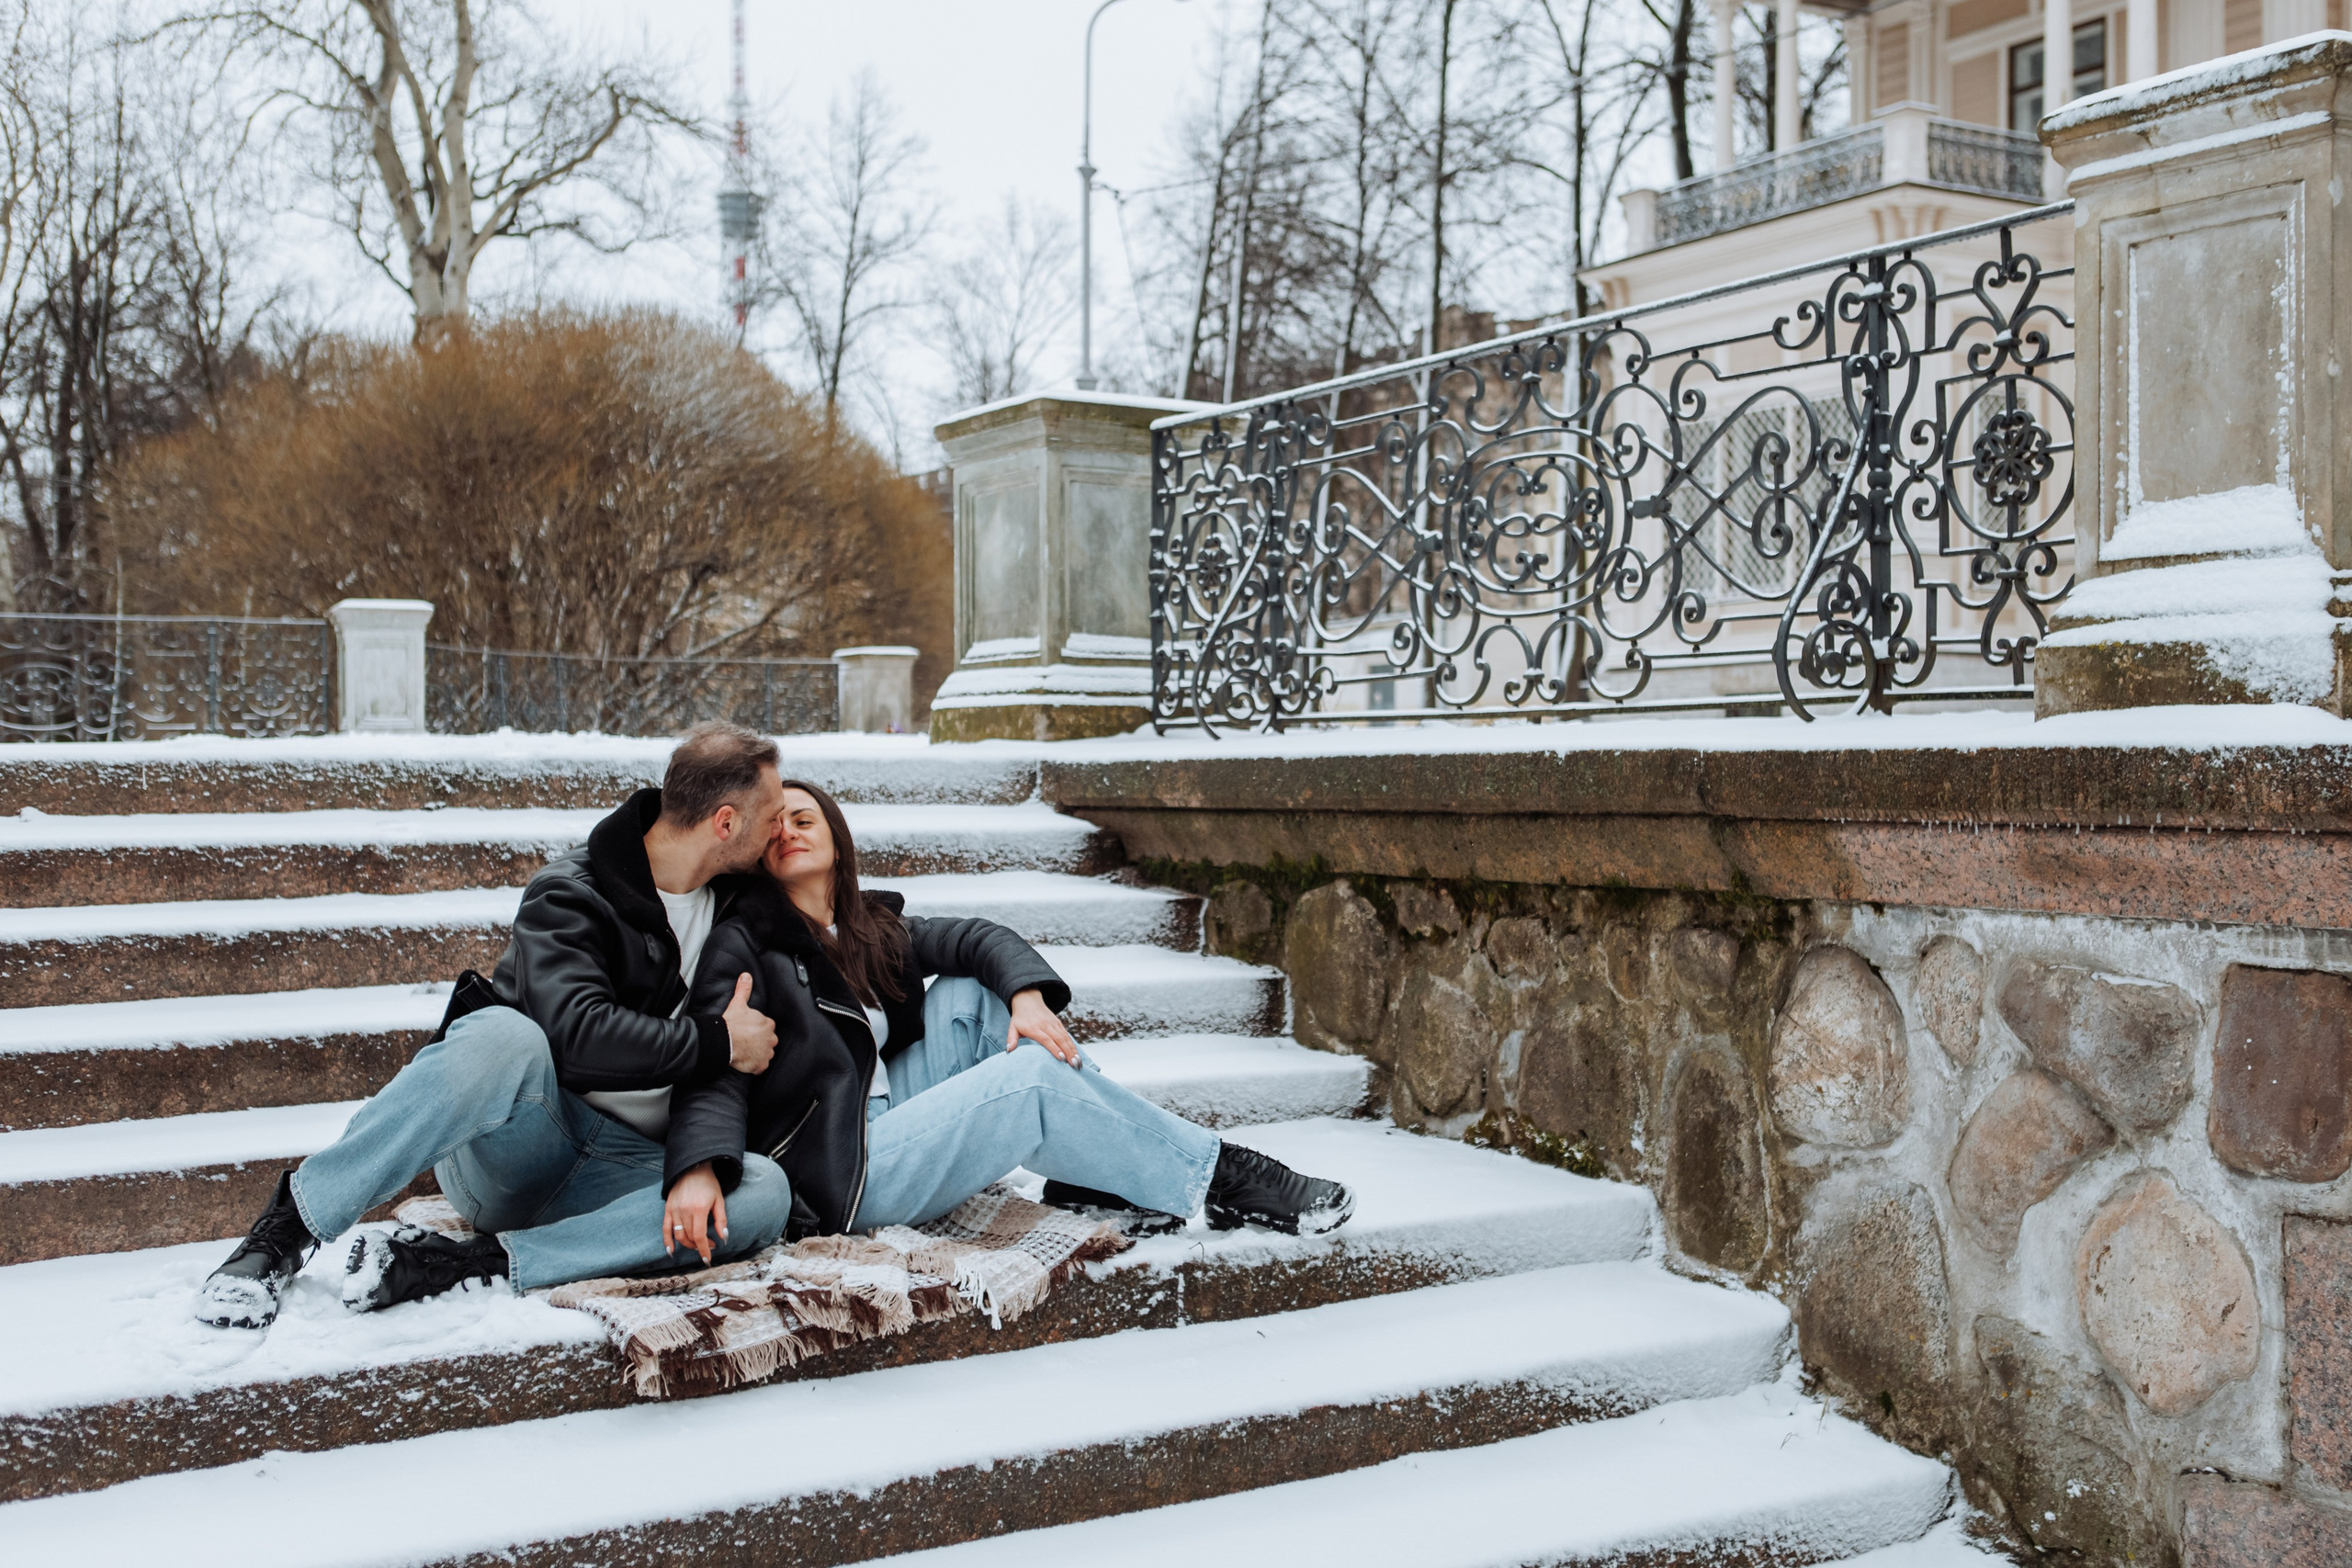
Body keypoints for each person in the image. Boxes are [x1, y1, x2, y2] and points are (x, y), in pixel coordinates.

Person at [194, 722, 798, 1329]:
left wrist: (697, 1161)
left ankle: (465, 1265)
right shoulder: (571, 892)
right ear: (725, 824)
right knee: (503, 1034)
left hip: (625, 1169)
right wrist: (719, 1042)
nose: (780, 828)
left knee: (763, 1190)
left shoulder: (738, 907)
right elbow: (576, 1037)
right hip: (520, 1146)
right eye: (772, 814)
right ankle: (284, 1233)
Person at [660, 780, 1353, 1249]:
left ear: (836, 838)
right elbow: (713, 1062)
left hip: (895, 1109)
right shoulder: (745, 941)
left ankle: (1092, 1177)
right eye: (773, 825)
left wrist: (1025, 997)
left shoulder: (864, 928)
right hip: (842, 1170)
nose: (787, 831)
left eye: (803, 818)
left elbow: (978, 937)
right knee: (1030, 1081)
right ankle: (1223, 1177)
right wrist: (697, 1167)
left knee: (974, 998)